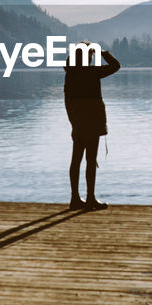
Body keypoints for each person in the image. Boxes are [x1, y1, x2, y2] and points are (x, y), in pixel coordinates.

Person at [64, 43, 120, 210]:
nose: (91, 58)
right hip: (92, 122)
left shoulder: (70, 74)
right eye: (90, 55)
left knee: (76, 160)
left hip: (77, 123)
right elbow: (116, 66)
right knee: (90, 160)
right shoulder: (91, 72)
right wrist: (103, 52)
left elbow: (68, 102)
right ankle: (90, 199)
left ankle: (74, 199)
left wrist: (73, 122)